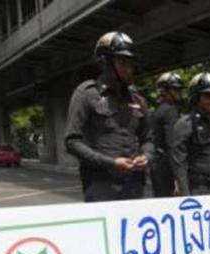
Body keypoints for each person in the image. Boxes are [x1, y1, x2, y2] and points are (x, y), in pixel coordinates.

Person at [64, 31, 152, 202]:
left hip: (135, 185)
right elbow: (72, 141)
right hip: (101, 186)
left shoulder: (138, 99)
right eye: (122, 63)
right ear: (105, 63)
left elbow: (149, 139)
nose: (129, 69)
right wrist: (111, 162)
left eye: (131, 63)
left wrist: (147, 156)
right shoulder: (86, 94)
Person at [149, 71, 184, 197]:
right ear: (165, 91)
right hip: (166, 168)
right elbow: (172, 144)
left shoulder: (157, 110)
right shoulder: (170, 111)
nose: (180, 93)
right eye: (175, 89)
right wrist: (177, 177)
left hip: (156, 166)